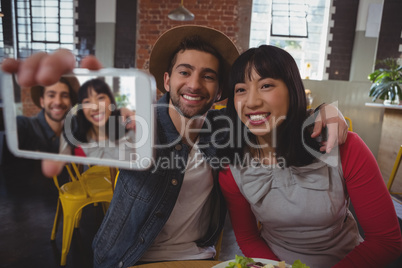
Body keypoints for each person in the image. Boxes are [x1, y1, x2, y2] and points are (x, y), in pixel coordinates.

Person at [1, 26, 348, 267]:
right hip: (126, 258)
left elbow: (278, 119)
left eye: (208, 76)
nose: (194, 84)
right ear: (168, 81)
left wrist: (327, 112)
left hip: (199, 258)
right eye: (184, 72)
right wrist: (65, 104)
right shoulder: (138, 125)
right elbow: (92, 129)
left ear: (220, 91)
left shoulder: (227, 129)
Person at [219, 45, 402, 267]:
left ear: (292, 89)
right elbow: (248, 237)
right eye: (241, 90)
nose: (252, 102)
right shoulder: (232, 167)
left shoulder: (345, 148)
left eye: (266, 85)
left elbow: (386, 241)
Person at [60, 78, 135, 159]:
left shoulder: (130, 127)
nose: (95, 108)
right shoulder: (80, 135)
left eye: (100, 98)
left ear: (111, 100)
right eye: (87, 102)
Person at [17, 76, 79, 153]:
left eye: (64, 96)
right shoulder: (25, 127)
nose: (58, 102)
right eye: (51, 95)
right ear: (42, 102)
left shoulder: (75, 127)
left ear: (70, 102)